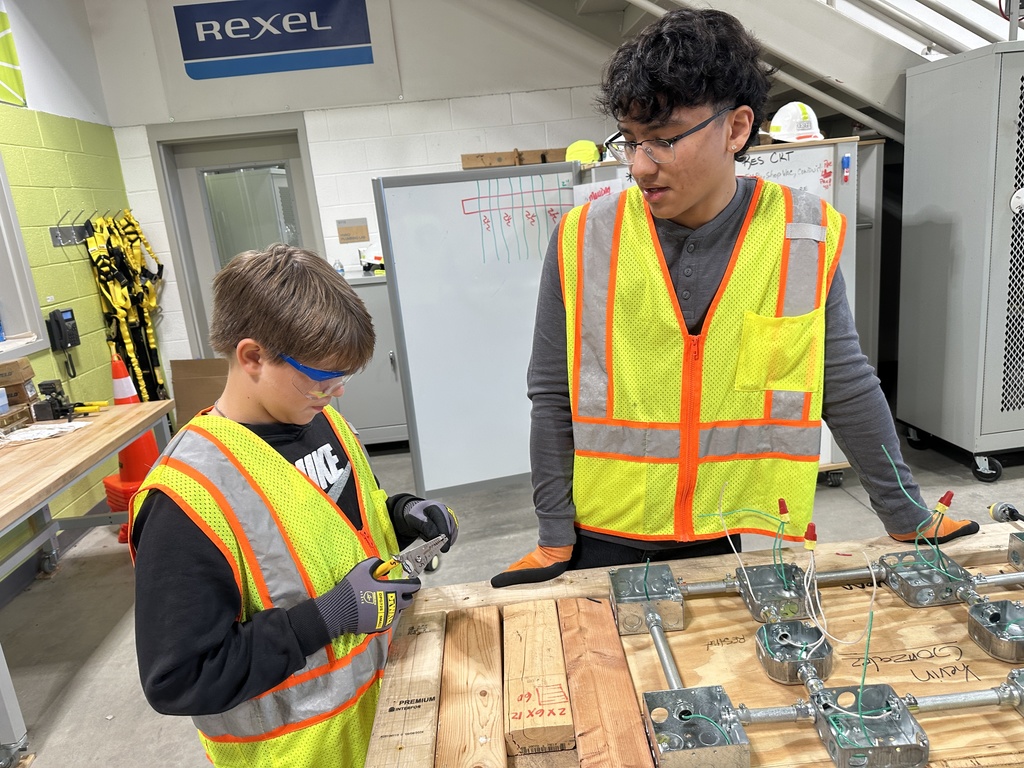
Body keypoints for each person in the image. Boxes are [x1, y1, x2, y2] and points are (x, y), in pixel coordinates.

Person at [491, 8, 977, 588]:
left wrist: (906, 514)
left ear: (737, 128)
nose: (641, 166)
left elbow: (843, 383)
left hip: (725, 532)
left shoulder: (798, 235)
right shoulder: (584, 237)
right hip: (602, 533)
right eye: (631, 141)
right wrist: (552, 536)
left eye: (665, 140)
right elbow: (551, 393)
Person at [129, 244, 459, 768]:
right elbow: (180, 679)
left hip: (386, 719)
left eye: (345, 376)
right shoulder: (187, 497)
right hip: (300, 752)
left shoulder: (322, 421)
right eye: (322, 375)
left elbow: (337, 527)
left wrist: (402, 516)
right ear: (252, 357)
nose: (337, 391)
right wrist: (328, 617)